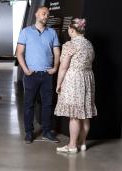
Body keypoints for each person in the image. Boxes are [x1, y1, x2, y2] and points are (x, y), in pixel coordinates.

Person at [16, 6, 60, 144]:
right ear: (36, 14)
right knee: (29, 104)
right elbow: (19, 53)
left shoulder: (52, 32)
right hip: (31, 75)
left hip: (47, 75)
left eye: (47, 14)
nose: (46, 16)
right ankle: (29, 132)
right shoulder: (26, 32)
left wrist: (55, 67)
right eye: (43, 13)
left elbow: (57, 52)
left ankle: (46, 132)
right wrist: (26, 70)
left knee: (47, 104)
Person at [55, 18, 97, 153]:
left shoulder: (70, 44)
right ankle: (83, 143)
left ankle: (72, 146)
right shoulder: (89, 44)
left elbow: (63, 67)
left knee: (74, 115)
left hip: (74, 79)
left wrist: (58, 83)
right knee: (84, 113)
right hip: (87, 78)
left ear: (72, 30)